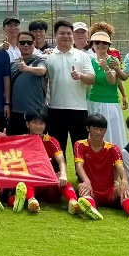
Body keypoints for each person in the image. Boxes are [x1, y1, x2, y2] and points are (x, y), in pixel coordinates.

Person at [74, 113, 129, 222]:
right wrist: (86, 181)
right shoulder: (80, 145)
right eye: (95, 129)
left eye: (102, 129)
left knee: (123, 189)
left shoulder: (113, 148)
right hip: (91, 189)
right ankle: (91, 209)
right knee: (83, 188)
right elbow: (79, 165)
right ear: (88, 128)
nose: (99, 132)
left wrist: (124, 181)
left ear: (105, 130)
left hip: (110, 191)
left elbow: (120, 167)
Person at [44, 20, 95, 156]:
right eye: (62, 33)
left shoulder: (83, 56)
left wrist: (80, 76)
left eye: (68, 33)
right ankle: (60, 170)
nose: (66, 36)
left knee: (81, 151)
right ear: (55, 35)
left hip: (79, 110)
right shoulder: (48, 57)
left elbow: (92, 78)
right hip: (55, 109)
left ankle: (81, 171)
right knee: (57, 151)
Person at [20, 111, 80, 215]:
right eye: (34, 122)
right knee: (26, 178)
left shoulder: (51, 141)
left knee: (60, 178)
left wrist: (63, 174)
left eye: (41, 123)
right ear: (27, 124)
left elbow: (61, 160)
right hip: (32, 182)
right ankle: (31, 201)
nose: (38, 126)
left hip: (48, 182)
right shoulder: (21, 140)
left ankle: (73, 202)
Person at [86, 32, 127, 148]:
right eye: (97, 42)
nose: (100, 45)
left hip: (110, 103)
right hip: (93, 101)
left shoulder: (113, 61)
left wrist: (106, 68)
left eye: (104, 42)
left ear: (109, 45)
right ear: (92, 45)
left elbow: (113, 81)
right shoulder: (90, 61)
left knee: (111, 135)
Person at [7, 31, 47, 136]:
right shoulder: (13, 64)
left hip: (35, 113)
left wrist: (27, 68)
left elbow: (42, 71)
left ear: (34, 43)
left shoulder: (40, 60)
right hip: (16, 112)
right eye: (22, 42)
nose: (26, 45)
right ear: (17, 44)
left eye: (29, 42)